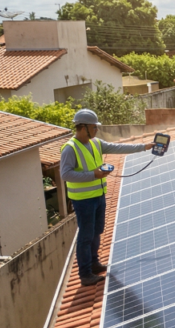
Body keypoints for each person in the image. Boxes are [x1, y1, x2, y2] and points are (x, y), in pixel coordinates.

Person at [60, 109, 154, 286]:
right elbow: (66, 174)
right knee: (86, 235)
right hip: (83, 200)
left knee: (97, 231)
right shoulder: (70, 149)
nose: (96, 130)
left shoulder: (95, 142)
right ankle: (85, 274)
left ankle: (94, 263)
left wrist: (144, 147)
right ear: (83, 127)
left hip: (98, 195)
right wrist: (94, 174)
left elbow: (118, 147)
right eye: (94, 127)